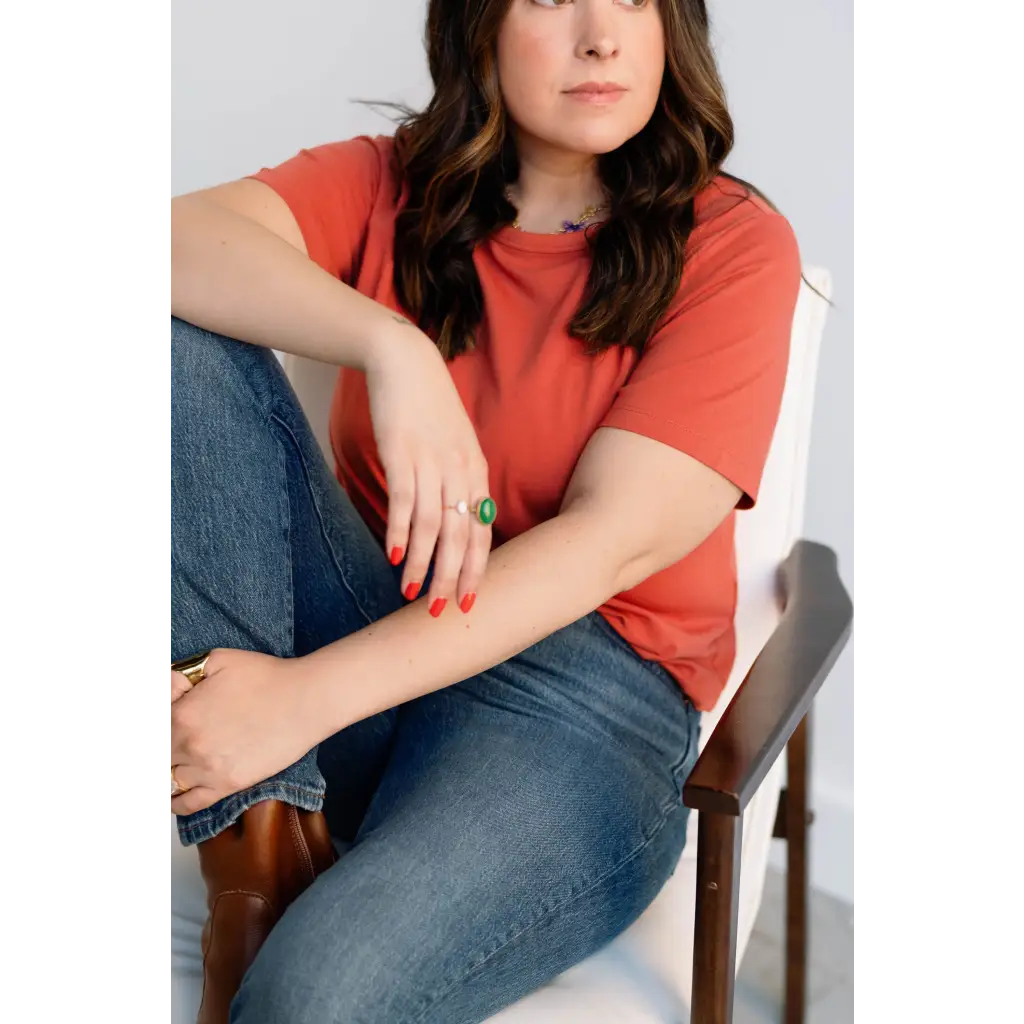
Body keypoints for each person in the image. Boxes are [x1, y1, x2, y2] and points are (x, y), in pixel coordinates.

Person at [168, 1, 802, 1021]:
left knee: (314, 999)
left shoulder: (731, 246)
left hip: (577, 713)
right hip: (380, 630)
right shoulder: (388, 185)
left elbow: (604, 548)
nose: (602, 38)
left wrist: (298, 701)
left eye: (634, 0)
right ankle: (258, 852)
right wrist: (392, 347)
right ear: (479, 28)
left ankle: (280, 828)